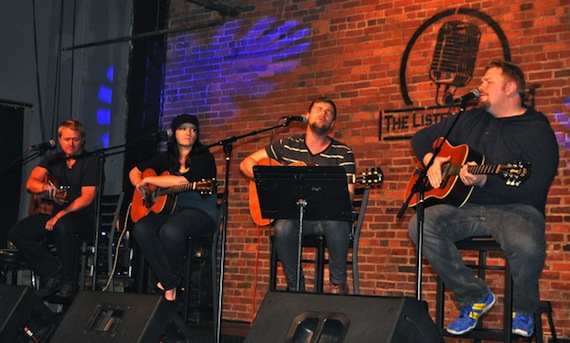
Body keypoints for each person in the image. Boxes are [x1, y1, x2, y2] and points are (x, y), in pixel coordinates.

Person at [407, 61, 559, 337]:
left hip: (516, 208)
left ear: (510, 88)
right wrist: (431, 161)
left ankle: (524, 309)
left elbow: (536, 188)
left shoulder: (536, 130)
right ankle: (474, 296)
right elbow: (421, 138)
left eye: (488, 81)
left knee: (525, 243)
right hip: (467, 207)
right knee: (421, 224)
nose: (480, 86)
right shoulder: (469, 118)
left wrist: (488, 180)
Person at [240, 96, 356, 294]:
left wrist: (330, 192)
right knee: (282, 227)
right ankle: (296, 288)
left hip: (323, 219)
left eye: (328, 112)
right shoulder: (288, 145)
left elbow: (349, 195)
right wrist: (271, 181)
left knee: (337, 222)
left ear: (333, 123)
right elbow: (246, 163)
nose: (323, 113)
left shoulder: (342, 152)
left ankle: (338, 284)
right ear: (307, 115)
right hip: (295, 217)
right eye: (319, 109)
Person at [129, 114, 218, 301]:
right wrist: (140, 185)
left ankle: (171, 279)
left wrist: (149, 179)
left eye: (193, 129)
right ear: (174, 133)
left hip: (201, 212)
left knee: (170, 230)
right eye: (183, 128)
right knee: (141, 228)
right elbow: (134, 172)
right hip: (173, 210)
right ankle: (170, 280)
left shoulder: (204, 158)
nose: (189, 133)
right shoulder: (166, 158)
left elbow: (181, 181)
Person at [9, 119, 99, 299]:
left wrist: (60, 215)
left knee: (63, 225)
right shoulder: (53, 160)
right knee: (17, 231)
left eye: (75, 139)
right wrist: (47, 189)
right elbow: (31, 183)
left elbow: (87, 197)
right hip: (53, 213)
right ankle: (52, 271)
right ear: (59, 140)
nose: (70, 144)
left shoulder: (91, 161)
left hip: (81, 216)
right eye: (66, 139)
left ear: (82, 140)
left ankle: (68, 281)